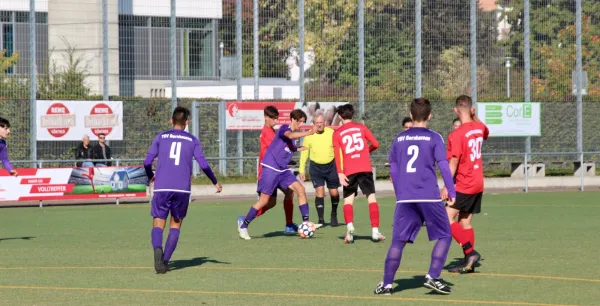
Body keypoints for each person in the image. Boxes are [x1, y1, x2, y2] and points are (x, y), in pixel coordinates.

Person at [374, 98, 456, 295]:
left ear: (411, 116)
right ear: (429, 116)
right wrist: (451, 190)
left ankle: (386, 284)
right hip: (428, 195)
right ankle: (433, 277)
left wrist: (398, 190)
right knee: (445, 235)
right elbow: (443, 165)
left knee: (398, 241)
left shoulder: (399, 138)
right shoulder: (434, 137)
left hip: (405, 197)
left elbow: (393, 167)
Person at [144, 106, 223, 274]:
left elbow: (147, 162)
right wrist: (215, 181)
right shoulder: (192, 140)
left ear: (171, 120)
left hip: (162, 187)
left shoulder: (161, 137)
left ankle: (157, 250)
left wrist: (150, 175)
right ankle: (165, 261)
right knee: (176, 225)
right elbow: (203, 164)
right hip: (182, 189)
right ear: (187, 123)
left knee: (158, 222)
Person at [237, 109, 315, 240]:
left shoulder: (293, 137)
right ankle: (244, 225)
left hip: (283, 170)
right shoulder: (284, 128)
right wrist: (309, 132)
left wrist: (298, 149)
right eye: (300, 121)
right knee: (264, 201)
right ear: (293, 120)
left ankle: (305, 223)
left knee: (300, 189)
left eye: (303, 122)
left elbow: (288, 146)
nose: (301, 124)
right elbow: (289, 136)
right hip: (270, 169)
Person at [441, 95, 489, 274]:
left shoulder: (456, 134)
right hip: (478, 182)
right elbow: (486, 131)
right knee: (465, 222)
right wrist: (474, 116)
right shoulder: (478, 127)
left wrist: (447, 186)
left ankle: (469, 252)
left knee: (446, 218)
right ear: (471, 109)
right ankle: (468, 262)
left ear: (455, 111)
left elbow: (453, 163)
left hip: (464, 183)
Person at [332, 104, 384, 243]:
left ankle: (349, 229)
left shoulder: (337, 133)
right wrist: (366, 151)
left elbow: (337, 154)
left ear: (340, 116)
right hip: (365, 167)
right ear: (353, 115)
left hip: (349, 170)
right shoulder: (361, 127)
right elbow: (376, 144)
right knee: (371, 198)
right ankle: (375, 231)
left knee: (348, 200)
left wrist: (340, 173)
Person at [299, 113, 340, 226]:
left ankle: (334, 214)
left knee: (334, 193)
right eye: (317, 123)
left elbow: (338, 151)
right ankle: (321, 219)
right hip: (316, 167)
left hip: (331, 166)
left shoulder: (332, 133)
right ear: (314, 124)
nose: (319, 125)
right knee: (319, 191)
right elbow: (304, 153)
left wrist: (342, 167)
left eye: (321, 123)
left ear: (325, 123)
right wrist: (301, 170)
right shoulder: (309, 136)